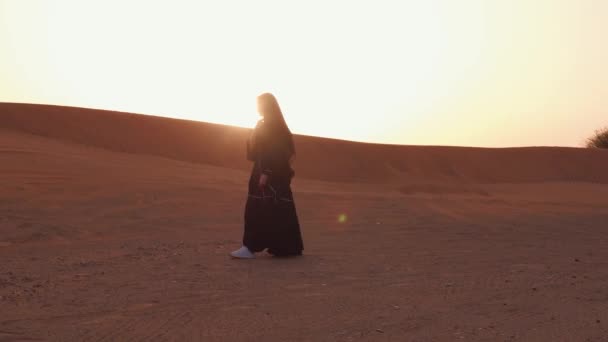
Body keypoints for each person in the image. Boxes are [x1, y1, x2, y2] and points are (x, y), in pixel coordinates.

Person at [230, 93, 304, 259]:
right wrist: (252, 135)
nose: (257, 107)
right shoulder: (264, 124)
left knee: (258, 210)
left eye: (259, 104)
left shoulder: (275, 126)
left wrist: (266, 172)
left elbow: (277, 151)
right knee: (272, 209)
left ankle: (250, 248)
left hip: (270, 174)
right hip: (263, 170)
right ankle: (284, 247)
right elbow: (253, 154)